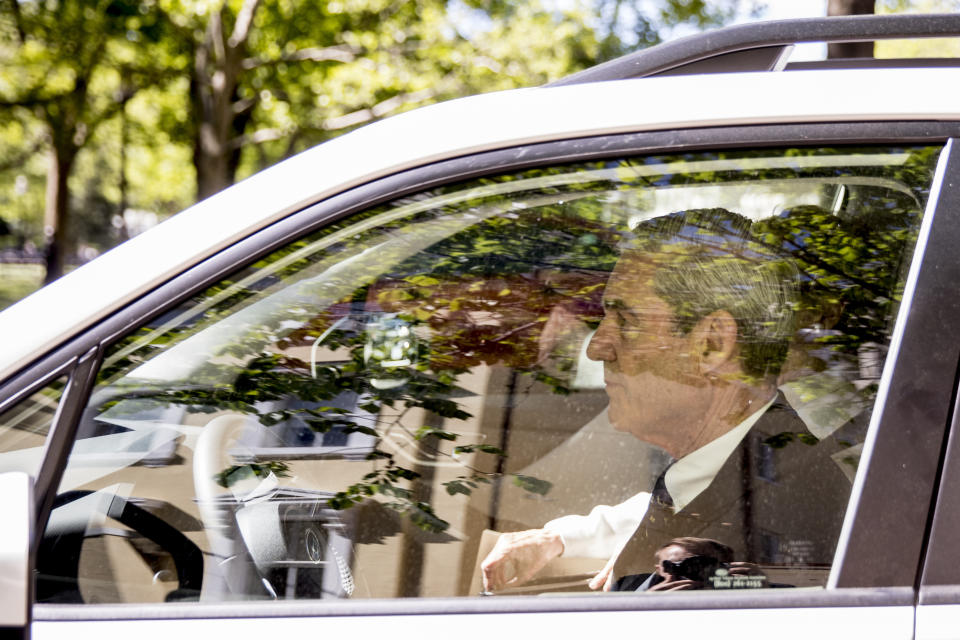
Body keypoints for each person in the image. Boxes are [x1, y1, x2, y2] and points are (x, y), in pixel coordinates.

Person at [480, 208, 856, 592]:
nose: (595, 348)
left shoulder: (788, 512)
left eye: (626, 321)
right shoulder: (748, 461)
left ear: (712, 344)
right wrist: (569, 538)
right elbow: (697, 496)